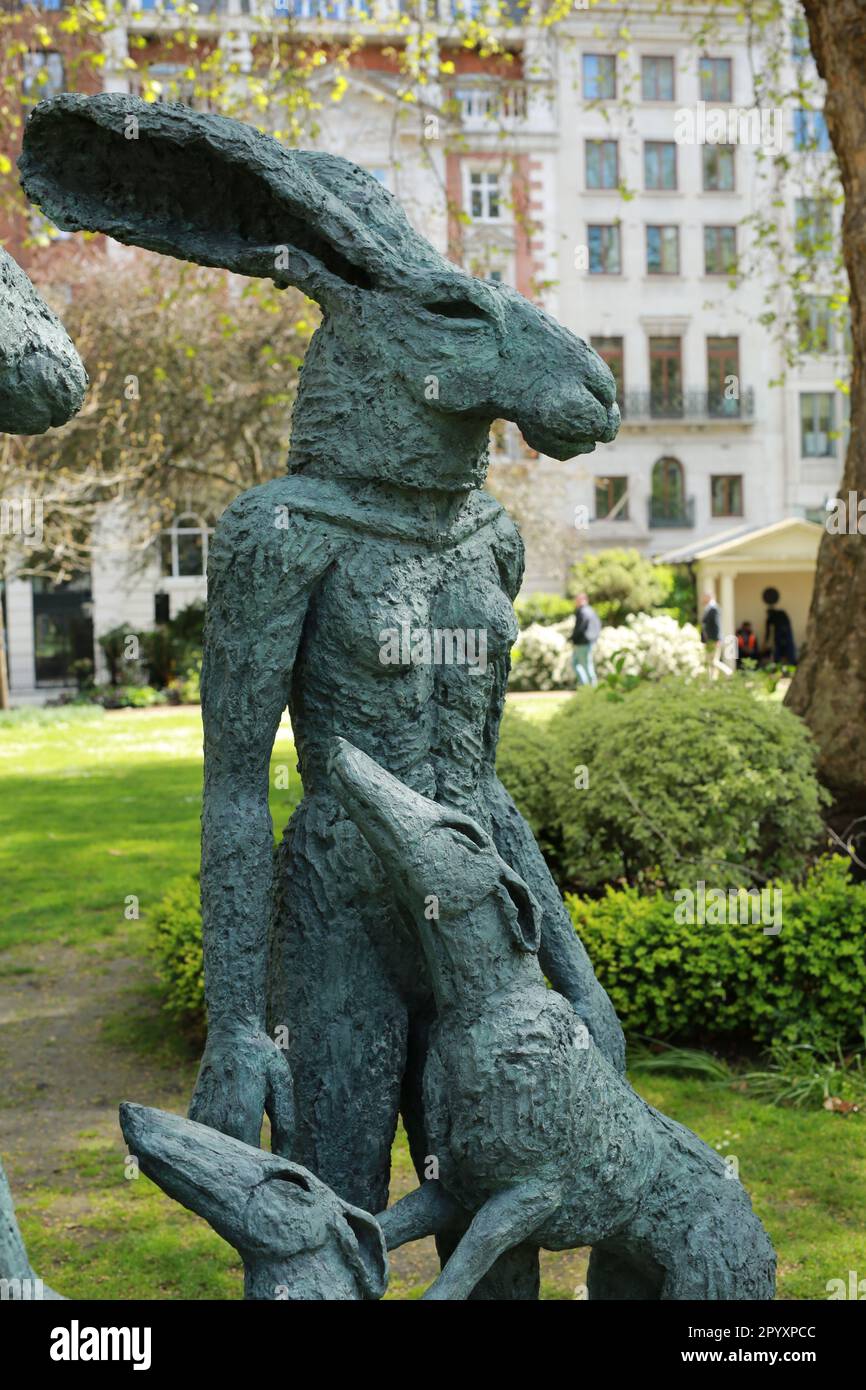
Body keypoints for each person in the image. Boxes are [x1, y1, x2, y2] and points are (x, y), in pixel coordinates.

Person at [571, 592, 601, 686]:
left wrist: (573, 638)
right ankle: (588, 685)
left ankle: (589, 686)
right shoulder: (591, 611)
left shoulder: (582, 611)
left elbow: (580, 628)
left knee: (585, 665)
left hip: (582, 642)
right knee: (579, 664)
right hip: (587, 642)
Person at [700, 590, 732, 678]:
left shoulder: (714, 608)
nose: (702, 599)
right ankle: (713, 679)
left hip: (713, 640)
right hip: (709, 640)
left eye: (704, 597)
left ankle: (728, 672)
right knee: (710, 661)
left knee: (713, 661)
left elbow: (716, 625)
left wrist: (717, 639)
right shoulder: (709, 608)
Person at [762, 587, 797, 664]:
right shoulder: (781, 613)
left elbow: (768, 632)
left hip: (782, 632)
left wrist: (765, 642)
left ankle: (780, 661)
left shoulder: (771, 617)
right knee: (787, 647)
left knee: (780, 647)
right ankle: (789, 661)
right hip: (786, 632)